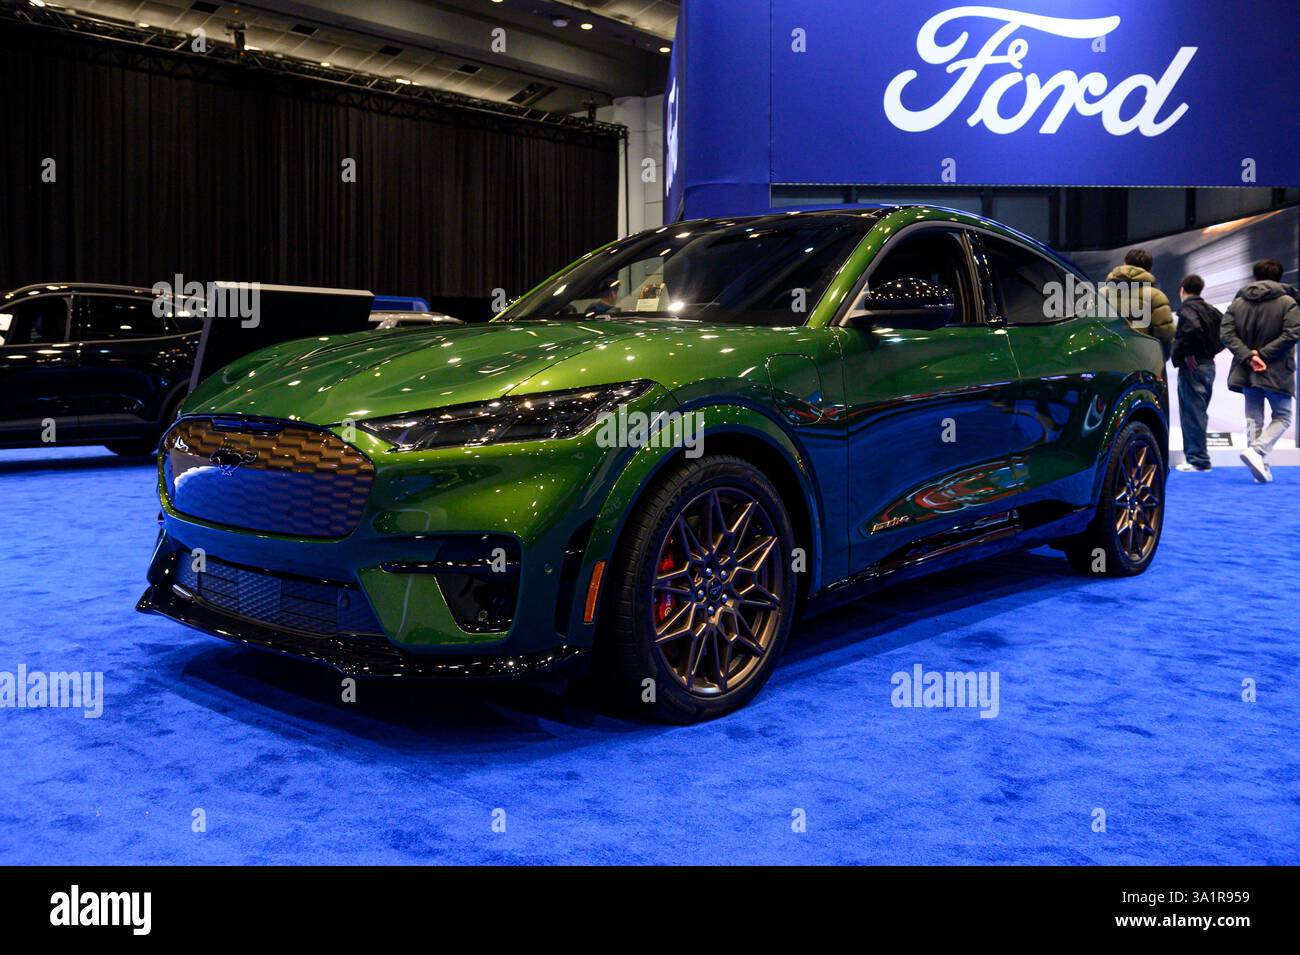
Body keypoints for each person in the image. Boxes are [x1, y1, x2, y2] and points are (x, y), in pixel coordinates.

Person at [1220, 258, 1300, 484]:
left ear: (1255, 275)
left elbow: (1226, 334)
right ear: (1280, 276)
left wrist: (1249, 356)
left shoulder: (1237, 303)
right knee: (1283, 417)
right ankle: (1258, 452)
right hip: (1277, 369)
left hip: (1246, 369)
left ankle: (1260, 466)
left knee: (1253, 418)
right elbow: (1292, 333)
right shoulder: (1287, 302)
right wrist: (1261, 356)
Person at [1170, 274, 1223, 472]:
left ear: (1182, 289)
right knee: (1199, 412)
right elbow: (1226, 333)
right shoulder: (1212, 310)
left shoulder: (1187, 309)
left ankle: (1198, 460)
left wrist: (1190, 353)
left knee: (1192, 413)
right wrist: (1210, 352)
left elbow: (1192, 328)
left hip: (1192, 367)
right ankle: (1198, 457)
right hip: (1209, 365)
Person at [1103, 248, 1175, 358]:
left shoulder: (1101, 294)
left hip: (1109, 355)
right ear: (1149, 269)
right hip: (1143, 358)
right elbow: (1164, 333)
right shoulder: (1156, 296)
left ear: (1125, 263)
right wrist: (1162, 358)